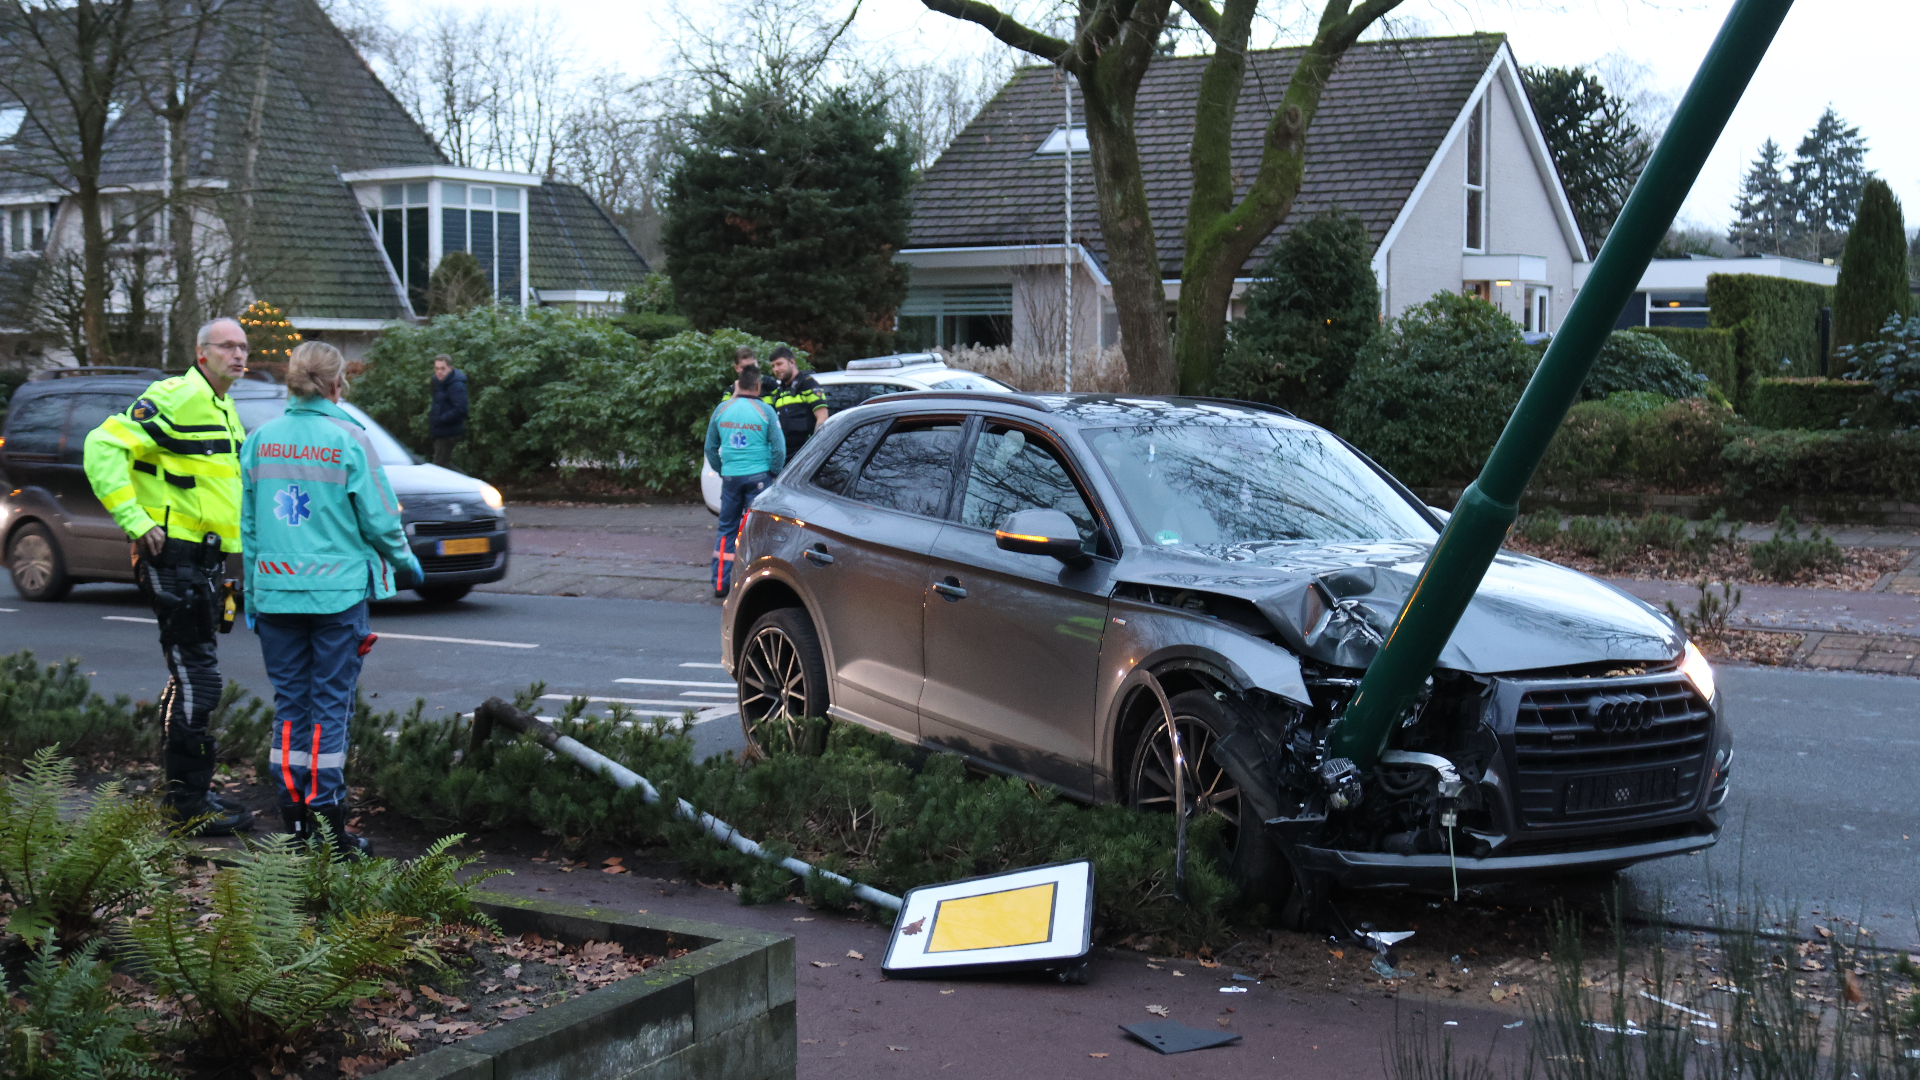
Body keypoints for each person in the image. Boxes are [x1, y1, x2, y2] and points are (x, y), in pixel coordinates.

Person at [240, 340, 423, 855]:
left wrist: (253, 593)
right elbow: (380, 519)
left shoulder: (259, 441)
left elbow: (249, 528)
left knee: (289, 708)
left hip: (275, 594)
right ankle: (328, 826)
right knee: (329, 708)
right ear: (337, 384)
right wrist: (405, 561)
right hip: (336, 596)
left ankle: (294, 824)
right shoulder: (349, 439)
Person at [83, 317, 254, 835]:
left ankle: (188, 794)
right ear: (202, 354)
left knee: (190, 676)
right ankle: (186, 806)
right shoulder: (176, 396)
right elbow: (101, 446)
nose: (239, 354)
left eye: (244, 347)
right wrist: (135, 521)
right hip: (172, 556)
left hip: (202, 562)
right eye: (228, 346)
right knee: (199, 679)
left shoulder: (224, 408)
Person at [704, 365, 785, 597]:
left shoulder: (722, 409)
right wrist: (773, 472)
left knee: (727, 528)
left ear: (738, 384)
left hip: (731, 478)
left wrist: (723, 470)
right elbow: (779, 449)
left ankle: (720, 583)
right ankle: (757, 586)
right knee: (758, 531)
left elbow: (710, 448)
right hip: (760, 478)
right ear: (758, 386)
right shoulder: (766, 411)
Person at [766, 345, 828, 459]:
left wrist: (815, 447)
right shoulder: (779, 392)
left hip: (806, 454)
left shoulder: (807, 384)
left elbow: (822, 416)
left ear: (792, 362)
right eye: (773, 366)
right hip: (786, 456)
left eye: (779, 364)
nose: (776, 369)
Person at [429, 354, 468, 468]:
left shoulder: (456, 385)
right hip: (439, 430)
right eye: (437, 368)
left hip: (449, 431)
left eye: (442, 368)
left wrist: (441, 419)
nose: (439, 372)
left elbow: (461, 409)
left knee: (440, 465)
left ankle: (465, 479)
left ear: (450, 368)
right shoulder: (437, 383)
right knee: (442, 465)